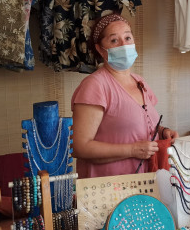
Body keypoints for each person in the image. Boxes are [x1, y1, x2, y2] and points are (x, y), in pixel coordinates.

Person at [71, 14, 179, 178]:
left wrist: (163, 131)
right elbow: (80, 147)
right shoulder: (95, 85)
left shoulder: (139, 81)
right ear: (100, 49)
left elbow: (140, 124)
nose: (124, 44)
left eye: (128, 37)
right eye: (114, 40)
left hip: (145, 182)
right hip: (109, 186)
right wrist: (132, 150)